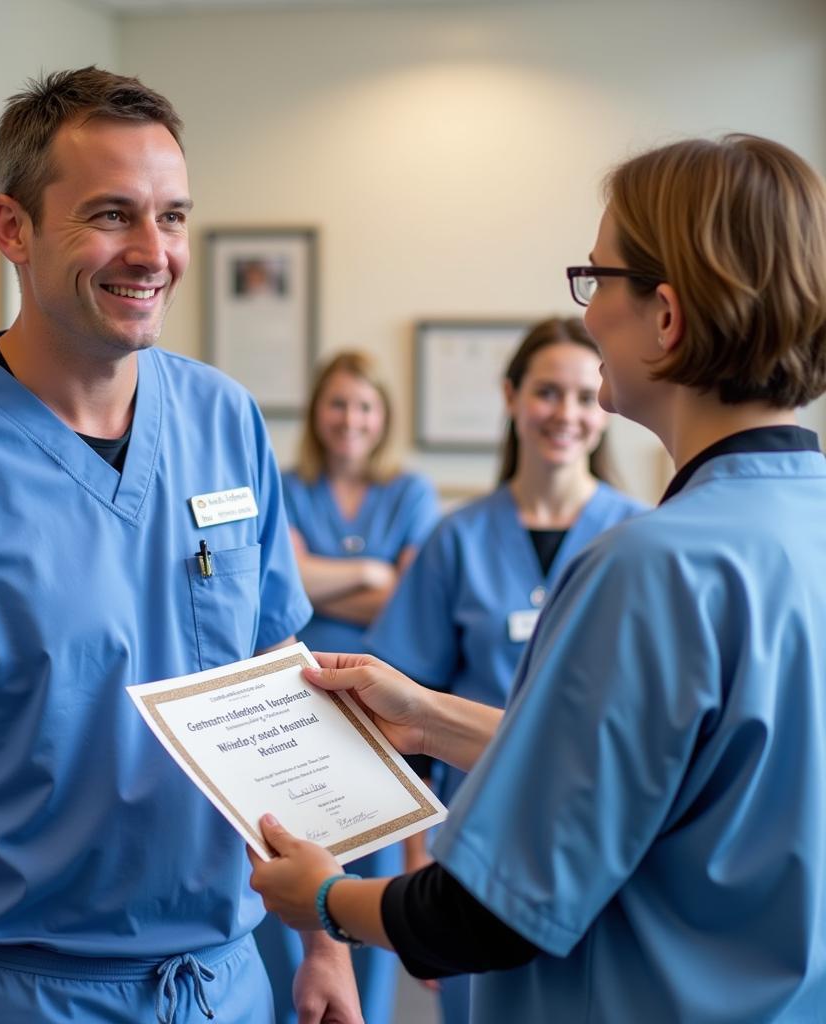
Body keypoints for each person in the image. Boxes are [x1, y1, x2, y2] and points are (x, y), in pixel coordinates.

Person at [0, 67, 361, 1024]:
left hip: (226, 979)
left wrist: (320, 941)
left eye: (173, 217)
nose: (154, 253)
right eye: (112, 215)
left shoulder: (223, 419)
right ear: (12, 229)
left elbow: (283, 683)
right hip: (21, 990)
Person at [250, 132, 826, 1023]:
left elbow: (487, 912)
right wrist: (433, 718)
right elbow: (665, 779)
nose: (588, 315)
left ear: (666, 318)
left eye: (597, 281)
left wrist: (326, 900)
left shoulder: (652, 565)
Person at [366, 317, 645, 1022]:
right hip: (473, 845)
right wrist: (415, 862)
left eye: (586, 396)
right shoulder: (457, 540)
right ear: (512, 397)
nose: (568, 414)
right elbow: (399, 721)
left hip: (604, 842)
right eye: (548, 392)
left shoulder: (641, 540)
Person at [255, 351, 439, 1024]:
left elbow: (410, 602)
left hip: (377, 716)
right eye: (337, 403)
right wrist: (373, 570)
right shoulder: (285, 483)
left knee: (375, 868)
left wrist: (325, 580)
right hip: (299, 705)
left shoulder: (411, 491)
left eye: (364, 404)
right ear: (316, 413)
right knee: (289, 867)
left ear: (383, 416)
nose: (350, 418)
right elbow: (284, 587)